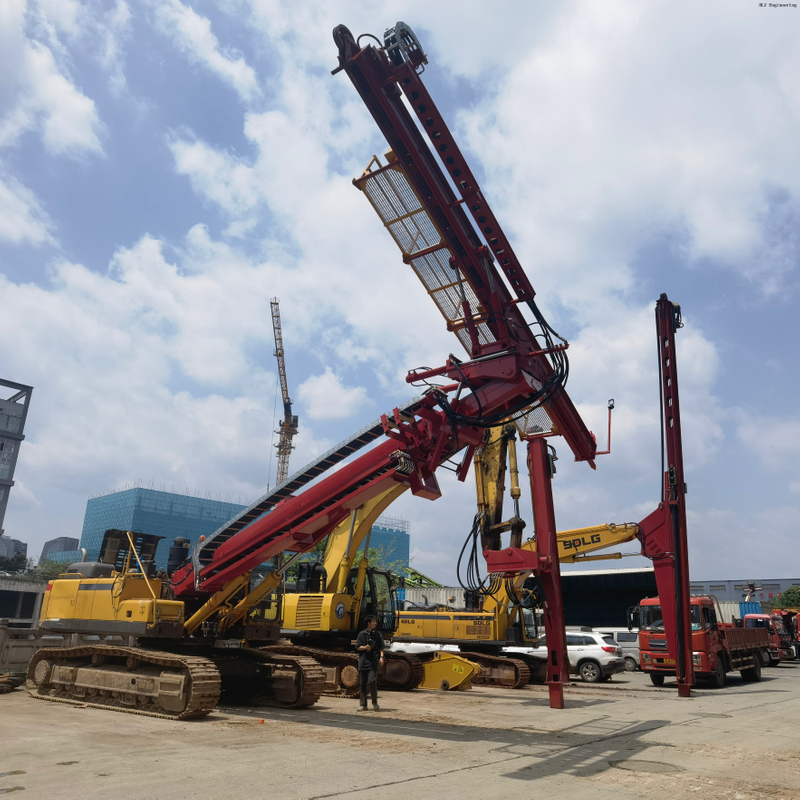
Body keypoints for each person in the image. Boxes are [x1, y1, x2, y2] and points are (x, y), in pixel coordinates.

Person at [355, 615, 384, 711]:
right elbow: (358, 647)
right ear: (369, 623)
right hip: (363, 661)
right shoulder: (361, 634)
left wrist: (381, 657)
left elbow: (381, 647)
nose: (375, 623)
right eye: (373, 621)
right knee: (362, 684)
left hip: (373, 661)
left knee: (372, 681)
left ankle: (375, 703)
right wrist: (365, 647)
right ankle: (363, 705)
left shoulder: (377, 634)